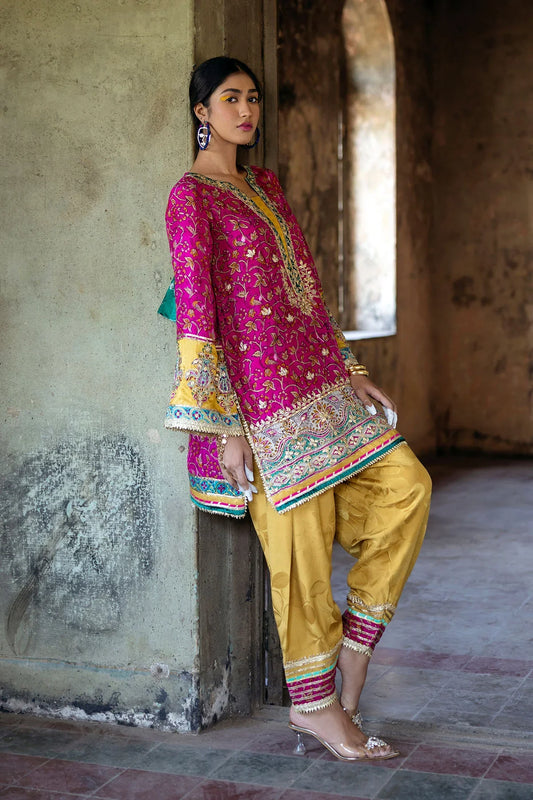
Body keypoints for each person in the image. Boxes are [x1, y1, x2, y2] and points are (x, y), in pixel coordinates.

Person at [163, 56, 431, 761]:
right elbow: (197, 316)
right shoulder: (190, 199)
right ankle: (314, 708)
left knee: (406, 486)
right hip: (258, 409)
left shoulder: (266, 186)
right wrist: (224, 423)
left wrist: (350, 368)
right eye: (229, 98)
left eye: (252, 98)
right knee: (300, 554)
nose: (245, 110)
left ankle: (357, 651)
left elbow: (304, 287)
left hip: (320, 392)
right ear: (201, 112)